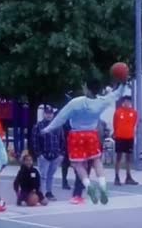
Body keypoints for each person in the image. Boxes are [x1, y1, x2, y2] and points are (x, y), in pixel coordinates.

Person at [41, 76, 126, 205]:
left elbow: (61, 117)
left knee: (77, 165)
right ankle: (103, 187)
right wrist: (123, 83)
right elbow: (116, 94)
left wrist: (47, 129)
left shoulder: (76, 102)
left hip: (76, 135)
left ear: (86, 87)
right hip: (92, 134)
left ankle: (89, 187)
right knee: (96, 161)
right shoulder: (102, 101)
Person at [31, 105, 65, 201]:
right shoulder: (38, 126)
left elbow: (62, 140)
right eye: (47, 113)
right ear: (44, 114)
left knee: (51, 175)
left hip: (55, 155)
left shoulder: (58, 126)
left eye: (50, 113)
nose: (49, 115)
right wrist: (39, 154)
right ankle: (41, 193)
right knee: (43, 175)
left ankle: (49, 192)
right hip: (44, 155)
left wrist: (61, 154)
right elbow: (34, 141)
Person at [113, 96, 138, 186]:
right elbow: (115, 124)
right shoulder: (118, 112)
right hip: (120, 137)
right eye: (126, 101)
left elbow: (134, 123)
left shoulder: (134, 113)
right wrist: (116, 133)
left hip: (129, 137)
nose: (128, 103)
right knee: (119, 157)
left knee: (128, 157)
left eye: (129, 101)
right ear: (123, 102)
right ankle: (117, 176)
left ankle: (128, 177)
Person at [61, 121, 72, 190]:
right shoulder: (65, 123)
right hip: (66, 146)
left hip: (75, 146)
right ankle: (64, 182)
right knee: (65, 165)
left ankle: (80, 182)